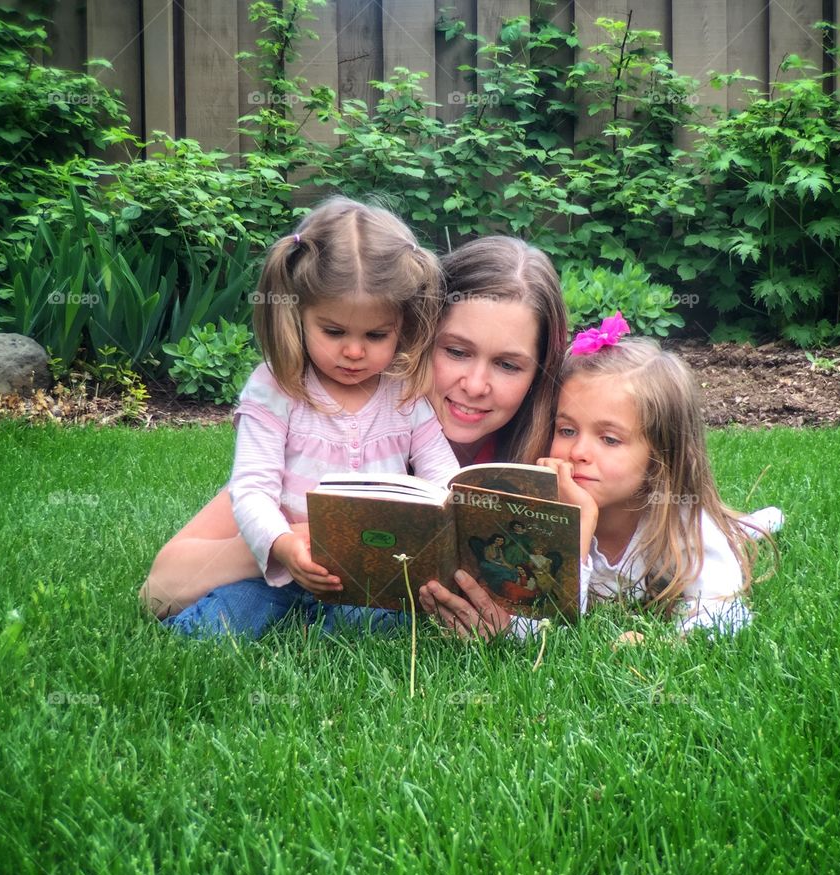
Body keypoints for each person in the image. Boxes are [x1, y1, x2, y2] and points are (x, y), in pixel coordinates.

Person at [140, 232, 568, 630]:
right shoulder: (334, 431)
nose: (475, 385)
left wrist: (507, 627)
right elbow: (160, 590)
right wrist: (308, 538)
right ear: (413, 336)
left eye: (508, 364)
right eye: (455, 351)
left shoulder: (543, 465)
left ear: (539, 374)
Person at [161, 197, 460, 639]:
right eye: (333, 331)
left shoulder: (405, 394)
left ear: (404, 322)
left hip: (369, 574)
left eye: (376, 335)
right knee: (220, 624)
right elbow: (251, 487)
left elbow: (442, 474)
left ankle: (322, 629)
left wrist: (451, 512)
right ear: (297, 315)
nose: (354, 351)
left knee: (380, 630)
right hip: (278, 569)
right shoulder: (277, 388)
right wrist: (282, 546)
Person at [419, 315, 782, 643]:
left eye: (609, 439)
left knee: (730, 535)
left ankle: (749, 525)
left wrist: (666, 644)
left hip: (696, 527)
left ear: (660, 457)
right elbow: (545, 622)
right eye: (566, 429)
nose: (578, 452)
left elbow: (723, 617)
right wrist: (572, 531)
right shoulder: (541, 514)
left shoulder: (685, 527)